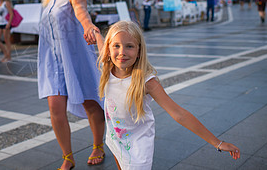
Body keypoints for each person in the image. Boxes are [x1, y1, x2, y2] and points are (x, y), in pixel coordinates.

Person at [94, 21, 240, 170]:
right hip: (116, 138)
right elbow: (101, 44)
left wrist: (217, 143)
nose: (122, 52)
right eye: (116, 46)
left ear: (139, 51)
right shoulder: (108, 67)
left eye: (129, 46)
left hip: (137, 145)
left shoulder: (146, 82)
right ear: (108, 49)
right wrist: (96, 33)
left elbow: (179, 114)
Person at [38, 0, 105, 169]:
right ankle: (68, 157)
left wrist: (88, 27)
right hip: (52, 63)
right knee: (55, 110)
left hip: (74, 59)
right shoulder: (49, 1)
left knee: (90, 103)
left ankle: (98, 145)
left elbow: (81, 11)